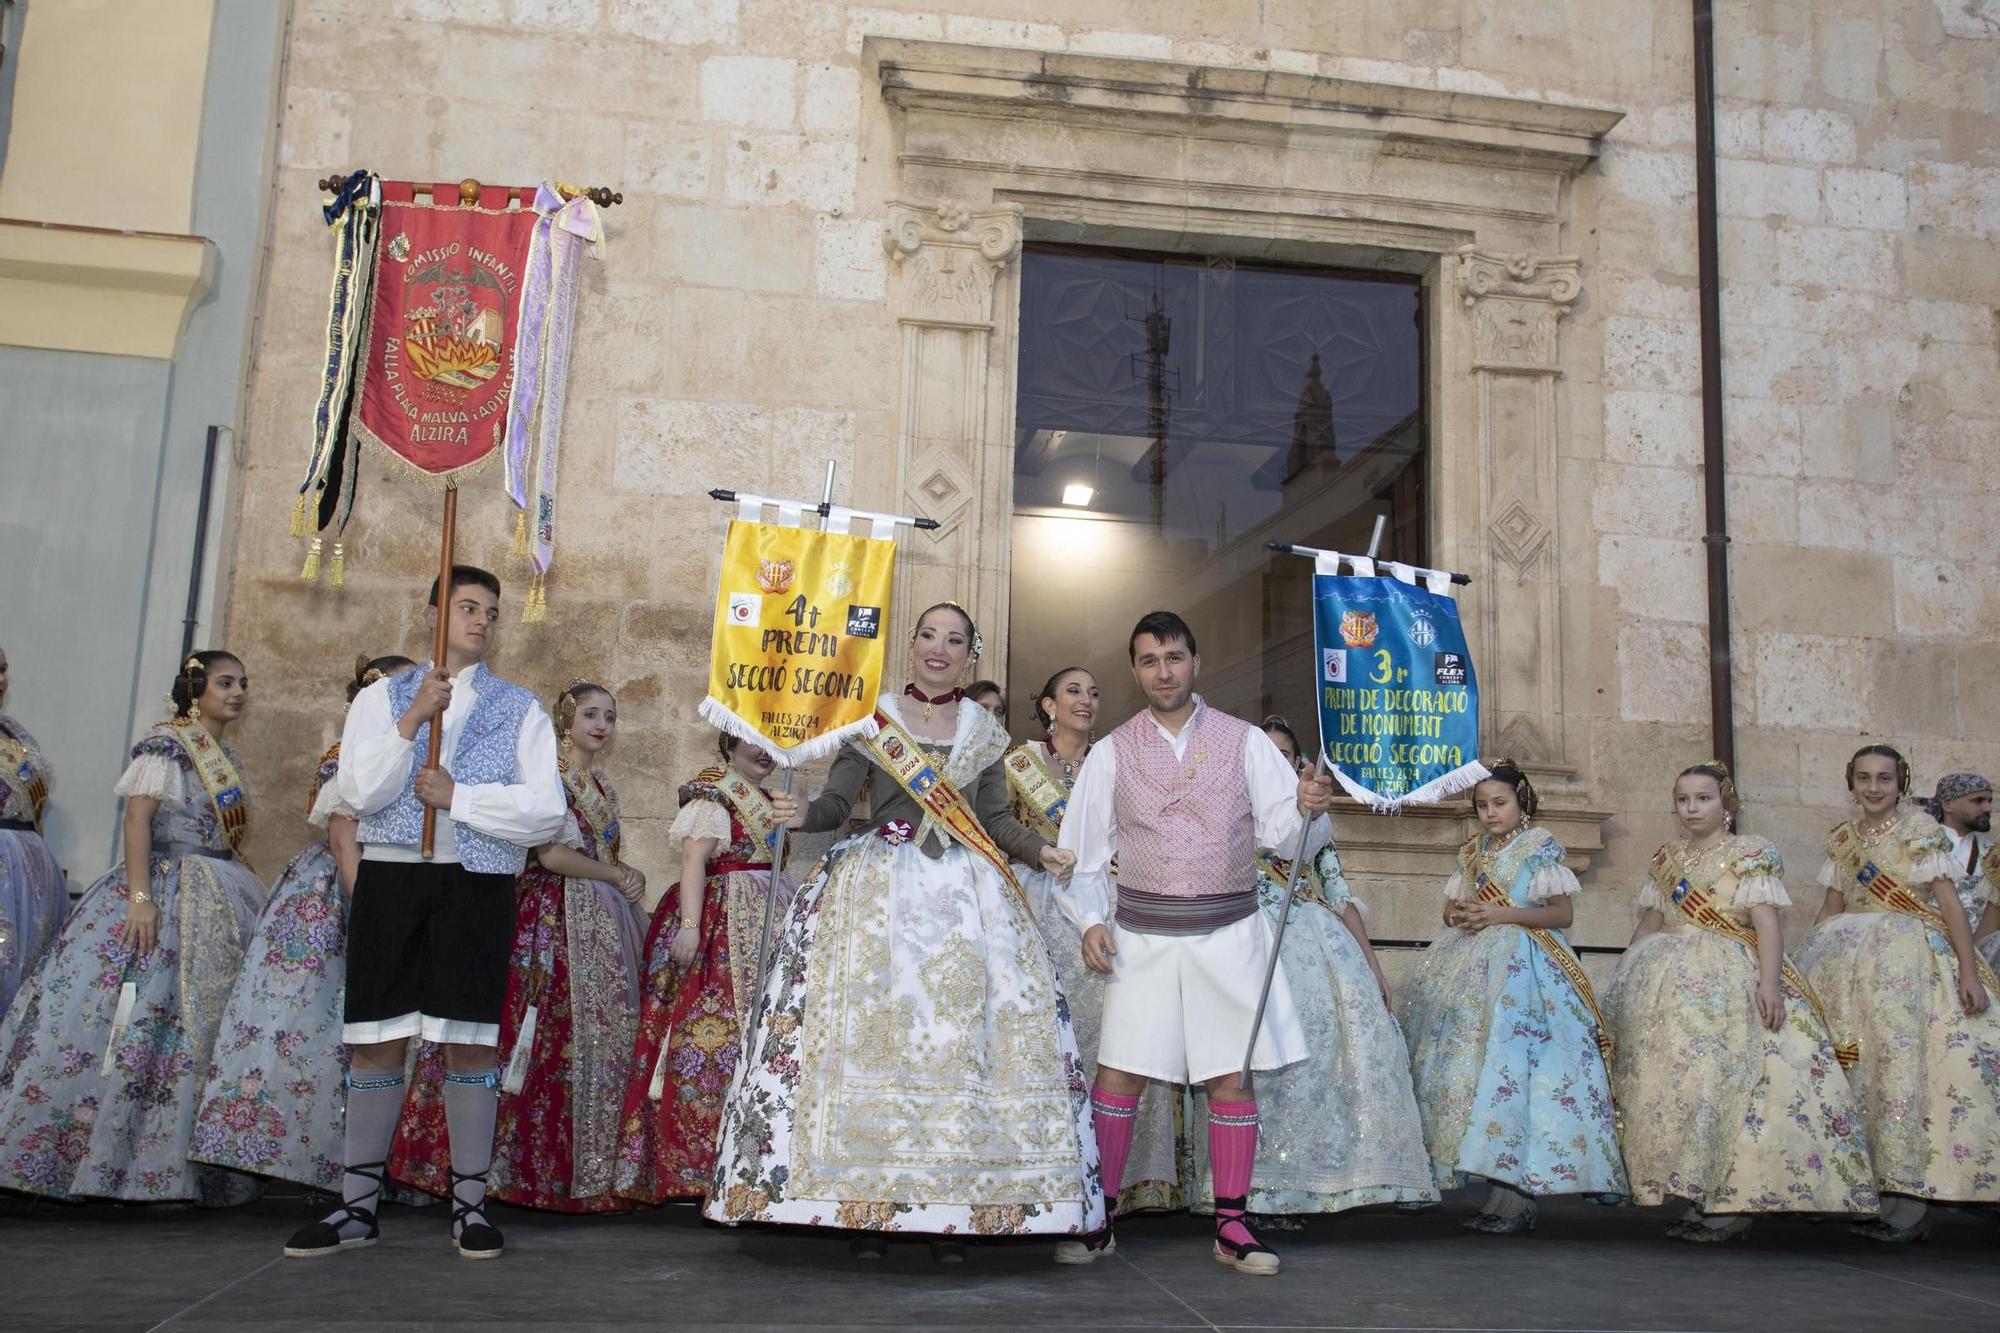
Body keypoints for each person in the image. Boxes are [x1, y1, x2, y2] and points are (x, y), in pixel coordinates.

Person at [705, 602, 1102, 1258]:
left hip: (966, 897)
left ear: (971, 654)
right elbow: (837, 804)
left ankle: (957, 1205)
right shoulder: (872, 716)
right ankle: (866, 1207)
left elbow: (995, 820)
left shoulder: (984, 730)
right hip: (878, 889)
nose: (939, 649)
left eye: (954, 640)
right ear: (910, 643)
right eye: (928, 635)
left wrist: (1042, 851)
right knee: (874, 1038)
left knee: (960, 1044)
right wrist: (801, 812)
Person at [283, 566, 566, 1260]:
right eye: (467, 606)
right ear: (434, 611)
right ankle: (356, 1205)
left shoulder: (519, 706)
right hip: (393, 876)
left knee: (469, 1039)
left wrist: (460, 798)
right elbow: (359, 788)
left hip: (474, 883)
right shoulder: (382, 698)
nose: (481, 621)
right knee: (378, 1035)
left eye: (491, 612)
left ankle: (469, 1204)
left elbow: (545, 810)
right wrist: (413, 719)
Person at [1053, 611, 1338, 1277]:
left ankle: (1234, 1223)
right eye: (1149, 659)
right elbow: (1082, 853)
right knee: (1119, 1071)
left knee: (1230, 1077)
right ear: (1135, 669)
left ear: (1195, 661)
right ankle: (1100, 1217)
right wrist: (1091, 920)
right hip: (1142, 934)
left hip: (1230, 930)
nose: (1163, 670)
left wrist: (1308, 808)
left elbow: (1286, 840)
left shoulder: (1243, 741)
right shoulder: (1114, 750)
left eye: (1173, 656)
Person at [0, 652, 268, 1204]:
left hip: (217, 893)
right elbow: (136, 818)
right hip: (167, 890)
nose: (237, 691)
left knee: (197, 1029)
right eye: (225, 682)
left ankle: (178, 1160)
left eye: (243, 683)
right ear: (195, 689)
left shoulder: (223, 753)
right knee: (135, 1020)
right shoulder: (167, 744)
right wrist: (141, 900)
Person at [388, 679, 646, 1214]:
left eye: (610, 717)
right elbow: (550, 854)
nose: (600, 725)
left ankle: (572, 1171)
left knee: (584, 1041)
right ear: (565, 722)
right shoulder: (549, 776)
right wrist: (617, 874)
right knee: (528, 1034)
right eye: (590, 714)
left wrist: (616, 879)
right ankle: (498, 1170)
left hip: (593, 917)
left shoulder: (602, 787)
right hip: (547, 919)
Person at [1606, 761, 1876, 1242]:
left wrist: (1768, 985)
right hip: (1667, 987)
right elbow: (1650, 922)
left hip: (1728, 981)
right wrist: (1624, 977)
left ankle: (1731, 1204)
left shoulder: (1750, 853)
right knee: (1680, 1087)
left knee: (1727, 1085)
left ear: (1726, 802)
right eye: (1684, 799)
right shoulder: (1667, 857)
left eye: (1704, 798)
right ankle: (1696, 1192)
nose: (1692, 808)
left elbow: (1767, 923)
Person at [1187, 717, 1436, 1222]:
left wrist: (1372, 967)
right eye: (1268, 753)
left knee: (1317, 1069)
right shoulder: (1227, 812)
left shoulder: (1315, 821)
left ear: (1301, 763)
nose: (1278, 761)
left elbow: (1340, 895)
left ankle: (1309, 1184)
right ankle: (1248, 1190)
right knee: (1247, 1067)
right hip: (1243, 942)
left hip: (1311, 944)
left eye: (1286, 753)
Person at [192, 654, 416, 1191]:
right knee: (322, 1021)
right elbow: (344, 841)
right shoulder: (349, 754)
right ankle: (321, 1158)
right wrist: (374, 912)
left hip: (391, 885)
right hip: (343, 893)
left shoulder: (408, 753)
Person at [1398, 759, 1627, 1233]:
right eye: (1481, 805)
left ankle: (1519, 1195)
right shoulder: (1472, 852)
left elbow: (1560, 914)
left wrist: (1500, 916)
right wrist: (1457, 913)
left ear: (1521, 800)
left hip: (1527, 971)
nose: (1489, 813)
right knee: (1478, 1075)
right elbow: (1451, 908)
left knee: (1517, 1073)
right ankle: (1497, 1191)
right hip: (1470, 968)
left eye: (1499, 803)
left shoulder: (1539, 846)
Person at [1796, 744, 2000, 1241]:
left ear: (1901, 783)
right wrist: (1803, 970)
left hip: (1908, 962)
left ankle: (1907, 1204)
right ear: (1851, 783)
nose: (1873, 788)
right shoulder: (1843, 839)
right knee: (1851, 1072)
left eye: (1884, 778)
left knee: (1902, 1074)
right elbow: (1832, 906)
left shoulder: (1920, 831)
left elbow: (1950, 906)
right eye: (1863, 778)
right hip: (1845, 959)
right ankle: (1860, 1189)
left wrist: (1968, 973)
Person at [1005, 667, 1182, 1214]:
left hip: (1110, 906)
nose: (1086, 700)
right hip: (1037, 906)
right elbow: (994, 829)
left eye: (1094, 691)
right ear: (1048, 705)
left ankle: (1121, 1180)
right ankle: (1045, 1174)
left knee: (1120, 1036)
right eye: (1073, 691)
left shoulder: (1116, 760)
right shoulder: (1016, 764)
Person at [614, 729, 798, 1204]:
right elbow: (694, 860)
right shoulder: (713, 792)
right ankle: (693, 1168)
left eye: (771, 744)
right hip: (721, 923)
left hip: (766, 919)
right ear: (729, 746)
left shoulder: (768, 798)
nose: (763, 752)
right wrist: (691, 926)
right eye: (752, 742)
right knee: (706, 1040)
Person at [0, 645, 65, 1020]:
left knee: (26, 974)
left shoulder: (12, 733)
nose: (1, 679)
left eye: (4, 669)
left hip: (30, 871)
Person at [1929, 773, 2000, 970]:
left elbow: (1993, 917)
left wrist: (1975, 962)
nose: (1987, 808)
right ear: (1948, 804)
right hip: (1929, 946)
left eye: (1989, 801)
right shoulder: (1922, 845)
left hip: (1980, 953)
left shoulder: (1992, 853)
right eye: (1978, 801)